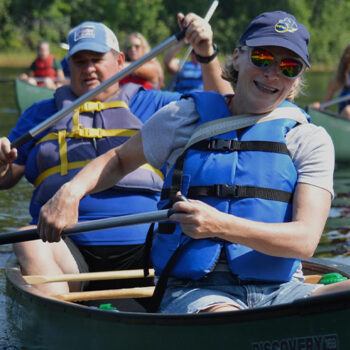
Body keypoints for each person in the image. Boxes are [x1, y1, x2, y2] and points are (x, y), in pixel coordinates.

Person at [37, 10, 350, 314]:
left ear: (297, 80)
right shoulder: (184, 117)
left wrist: (219, 224)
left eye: (289, 67)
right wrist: (71, 192)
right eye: (263, 58)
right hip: (196, 291)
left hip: (282, 289)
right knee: (227, 319)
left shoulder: (310, 138)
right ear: (239, 57)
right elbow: (118, 160)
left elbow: (305, 240)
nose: (273, 73)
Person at [0, 15, 231, 297]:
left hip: (147, 247)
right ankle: (63, 318)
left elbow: (223, 108)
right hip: (67, 250)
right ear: (68, 65)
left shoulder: (155, 103)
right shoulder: (39, 114)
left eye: (97, 59)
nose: (89, 68)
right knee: (28, 240)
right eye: (80, 61)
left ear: (120, 61)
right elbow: (7, 178)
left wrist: (206, 53)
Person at [312, 44, 350, 120]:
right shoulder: (336, 81)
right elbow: (324, 107)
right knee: (314, 107)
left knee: (348, 111)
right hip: (342, 121)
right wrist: (318, 109)